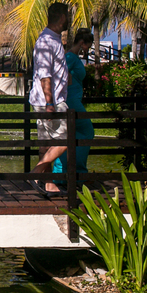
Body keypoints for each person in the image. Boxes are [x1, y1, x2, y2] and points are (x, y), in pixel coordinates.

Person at [30, 3, 71, 196]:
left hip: (48, 100)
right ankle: (37, 172)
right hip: (49, 101)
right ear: (62, 17)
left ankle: (48, 184)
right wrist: (49, 103)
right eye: (68, 16)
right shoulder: (46, 41)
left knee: (46, 145)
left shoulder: (53, 40)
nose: (69, 20)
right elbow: (45, 75)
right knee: (66, 140)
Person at [53, 28, 95, 180]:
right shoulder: (70, 57)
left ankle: (68, 174)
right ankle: (76, 172)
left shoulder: (73, 57)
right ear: (82, 43)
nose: (89, 49)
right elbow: (58, 73)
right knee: (87, 131)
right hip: (71, 100)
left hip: (74, 99)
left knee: (73, 135)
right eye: (88, 45)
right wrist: (68, 81)